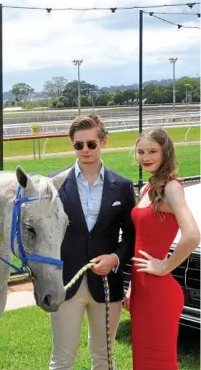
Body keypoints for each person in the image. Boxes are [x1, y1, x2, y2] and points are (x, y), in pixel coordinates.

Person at [48, 115, 136, 370]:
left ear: (103, 142)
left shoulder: (121, 186)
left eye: (91, 144)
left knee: (104, 357)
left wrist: (115, 258)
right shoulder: (55, 184)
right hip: (67, 283)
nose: (85, 150)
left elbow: (131, 237)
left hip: (108, 284)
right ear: (72, 145)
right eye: (79, 145)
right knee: (62, 359)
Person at [124, 127, 199, 370]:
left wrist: (165, 265)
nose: (145, 157)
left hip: (159, 292)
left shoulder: (171, 186)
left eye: (152, 151)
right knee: (143, 361)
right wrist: (132, 288)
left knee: (159, 362)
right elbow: (140, 244)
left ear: (166, 152)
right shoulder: (149, 187)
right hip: (141, 291)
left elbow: (192, 235)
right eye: (141, 151)